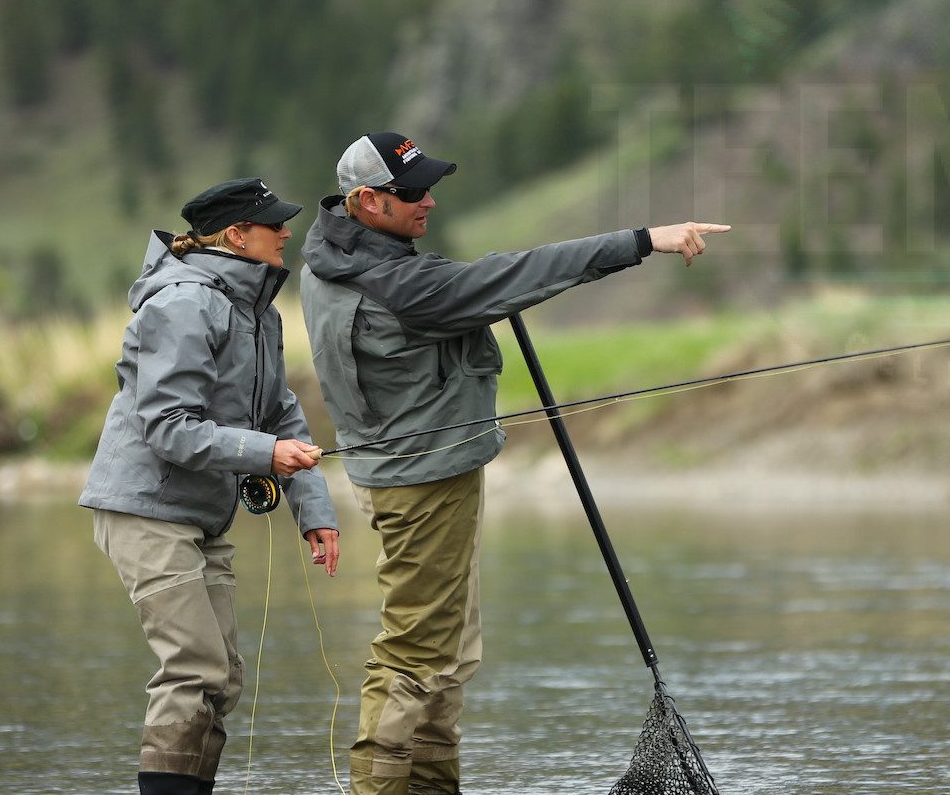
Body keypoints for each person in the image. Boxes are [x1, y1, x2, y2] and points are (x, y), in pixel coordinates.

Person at [299, 131, 728, 795]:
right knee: (414, 658)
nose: (430, 201)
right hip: (421, 483)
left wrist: (479, 290)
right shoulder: (399, 283)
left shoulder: (336, 254)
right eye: (412, 193)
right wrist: (643, 240)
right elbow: (489, 282)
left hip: (407, 473)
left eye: (429, 186)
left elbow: (466, 287)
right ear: (365, 201)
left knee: (446, 657)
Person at [80, 178, 342, 795]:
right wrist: (266, 455)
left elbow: (281, 415)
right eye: (273, 224)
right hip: (145, 510)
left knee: (220, 677)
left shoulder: (259, 312)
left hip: (202, 512)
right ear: (235, 235)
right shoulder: (182, 302)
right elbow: (170, 427)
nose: (285, 233)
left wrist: (315, 513)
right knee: (194, 668)